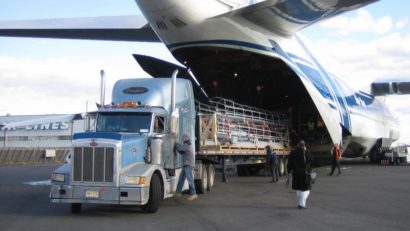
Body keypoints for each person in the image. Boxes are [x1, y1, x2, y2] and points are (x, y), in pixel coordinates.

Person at [287, 140, 313, 209]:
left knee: (298, 189)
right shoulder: (305, 152)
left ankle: (300, 203)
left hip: (296, 173)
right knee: (306, 190)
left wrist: (289, 171)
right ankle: (301, 204)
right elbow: (311, 159)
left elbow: (289, 163)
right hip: (304, 173)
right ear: (304, 145)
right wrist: (306, 150)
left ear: (298, 145)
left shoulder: (292, 152)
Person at [175, 134, 198, 201]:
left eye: (183, 138)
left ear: (186, 138)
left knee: (190, 179)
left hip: (188, 164)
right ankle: (178, 192)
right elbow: (181, 151)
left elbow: (181, 149)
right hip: (186, 164)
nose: (182, 139)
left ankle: (194, 194)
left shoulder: (187, 144)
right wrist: (178, 146)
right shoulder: (187, 144)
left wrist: (176, 144)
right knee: (181, 178)